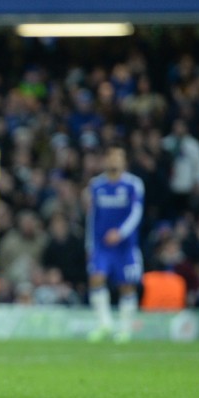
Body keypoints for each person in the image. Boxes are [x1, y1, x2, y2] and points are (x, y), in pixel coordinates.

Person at [86, 144, 145, 343]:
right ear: (105, 160)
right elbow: (91, 217)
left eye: (118, 157)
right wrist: (89, 245)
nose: (114, 161)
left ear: (124, 161)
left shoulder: (133, 185)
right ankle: (104, 325)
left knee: (127, 286)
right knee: (96, 278)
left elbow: (136, 213)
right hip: (102, 246)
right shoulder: (96, 185)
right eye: (111, 157)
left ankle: (125, 329)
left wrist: (120, 233)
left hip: (125, 246)